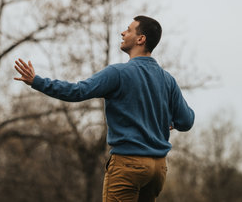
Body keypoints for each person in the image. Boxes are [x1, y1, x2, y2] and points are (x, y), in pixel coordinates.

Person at [14, 15, 195, 202]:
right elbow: (187, 121)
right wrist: (170, 120)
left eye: (129, 30)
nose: (123, 33)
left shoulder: (118, 73)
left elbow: (77, 91)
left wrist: (37, 81)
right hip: (158, 169)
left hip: (128, 165)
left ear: (141, 39)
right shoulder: (168, 80)